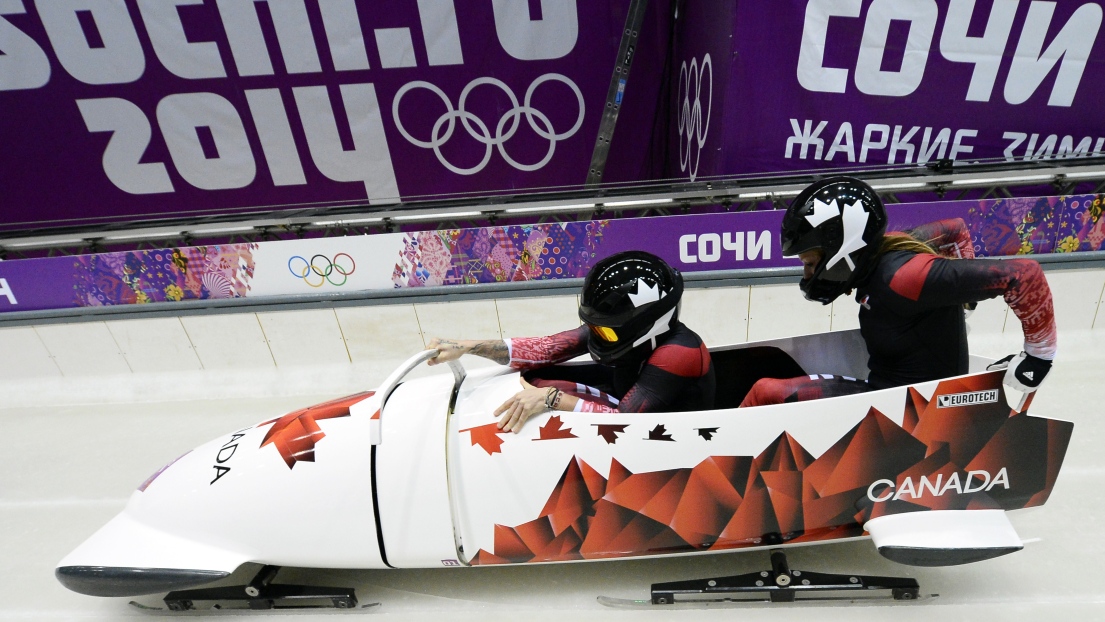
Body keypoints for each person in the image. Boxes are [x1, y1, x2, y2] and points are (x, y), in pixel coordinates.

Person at [740, 176, 1057, 407]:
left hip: (912, 412)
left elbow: (1024, 275)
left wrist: (1038, 358)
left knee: (766, 392)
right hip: (888, 394)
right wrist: (962, 298)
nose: (808, 275)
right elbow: (955, 230)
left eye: (810, 263)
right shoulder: (886, 251)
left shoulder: (903, 277)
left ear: (842, 250)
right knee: (765, 386)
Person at [427, 251, 715, 432]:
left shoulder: (679, 353)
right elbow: (548, 349)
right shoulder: (623, 331)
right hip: (637, 418)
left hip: (670, 445)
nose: (596, 334)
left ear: (647, 323)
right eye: (594, 327)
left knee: (548, 391)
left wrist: (551, 400)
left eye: (606, 331)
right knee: (540, 380)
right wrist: (468, 346)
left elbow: (624, 420)